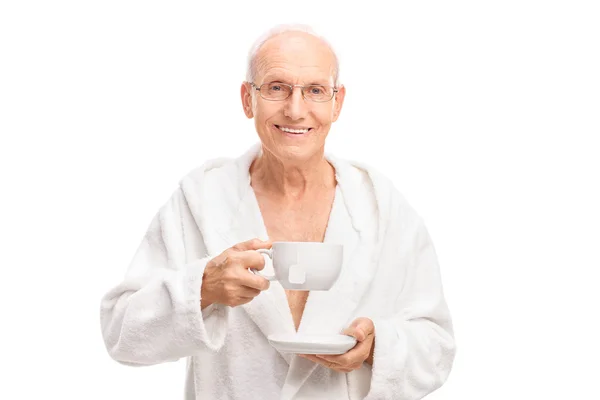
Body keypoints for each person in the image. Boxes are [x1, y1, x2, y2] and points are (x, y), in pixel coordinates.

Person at [100, 24, 456, 400]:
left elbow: (437, 345)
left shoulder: (382, 207)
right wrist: (203, 288)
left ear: (337, 103)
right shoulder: (202, 199)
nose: (296, 109)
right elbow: (121, 333)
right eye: (276, 88)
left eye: (315, 91)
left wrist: (377, 348)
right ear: (247, 99)